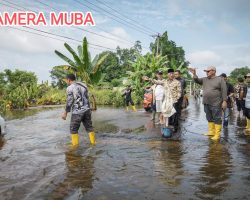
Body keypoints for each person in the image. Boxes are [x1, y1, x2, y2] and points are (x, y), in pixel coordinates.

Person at [188, 66, 227, 141]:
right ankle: (211, 132)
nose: (206, 72)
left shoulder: (220, 80)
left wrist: (224, 101)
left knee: (217, 118)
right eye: (206, 71)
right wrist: (194, 74)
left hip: (216, 102)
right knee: (209, 117)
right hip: (206, 102)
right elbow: (196, 80)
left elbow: (224, 90)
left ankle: (217, 134)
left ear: (214, 71)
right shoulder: (204, 79)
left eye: (208, 71)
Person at [61, 74, 96, 146]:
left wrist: (65, 113)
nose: (66, 82)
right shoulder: (84, 85)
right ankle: (93, 143)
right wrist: (89, 109)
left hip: (77, 112)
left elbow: (69, 101)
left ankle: (75, 147)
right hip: (87, 110)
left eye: (66, 80)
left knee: (73, 129)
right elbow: (87, 98)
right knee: (89, 128)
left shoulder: (70, 88)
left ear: (68, 80)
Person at [143, 68, 182, 132]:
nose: (171, 75)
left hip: (174, 102)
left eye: (172, 73)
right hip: (166, 101)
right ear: (168, 75)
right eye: (170, 73)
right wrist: (149, 79)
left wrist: (175, 100)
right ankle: (167, 129)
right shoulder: (165, 82)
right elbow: (157, 82)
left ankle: (175, 129)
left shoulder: (177, 82)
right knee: (166, 116)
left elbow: (179, 93)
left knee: (174, 116)